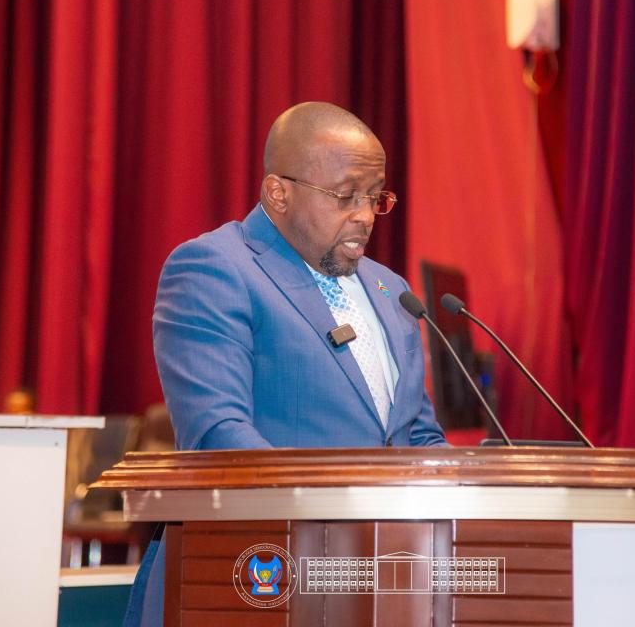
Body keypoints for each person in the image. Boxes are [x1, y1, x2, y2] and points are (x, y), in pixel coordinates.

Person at [124, 102, 446, 626]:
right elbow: (219, 438)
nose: (364, 215)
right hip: (254, 577)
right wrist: (340, 521)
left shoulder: (393, 291)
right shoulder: (214, 268)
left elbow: (416, 438)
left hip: (378, 583)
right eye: (346, 196)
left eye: (374, 197)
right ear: (278, 193)